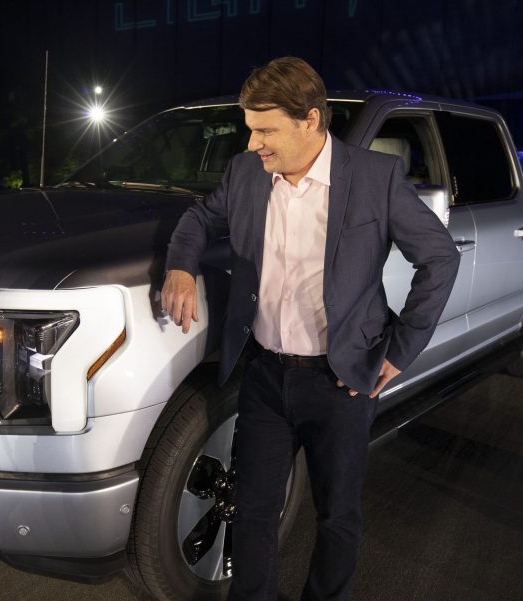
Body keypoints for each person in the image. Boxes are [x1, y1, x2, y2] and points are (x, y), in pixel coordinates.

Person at [162, 57, 460, 600]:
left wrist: (401, 349)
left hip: (342, 380)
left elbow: (439, 258)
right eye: (250, 130)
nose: (254, 144)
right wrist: (180, 265)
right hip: (265, 377)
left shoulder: (375, 178)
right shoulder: (247, 174)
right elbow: (200, 218)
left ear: (311, 120)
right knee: (252, 512)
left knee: (337, 515)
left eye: (266, 130)